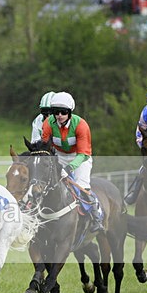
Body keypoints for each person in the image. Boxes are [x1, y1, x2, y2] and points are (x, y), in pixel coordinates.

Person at [40, 91, 104, 233]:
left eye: (63, 112)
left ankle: (96, 217)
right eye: (56, 112)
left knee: (82, 186)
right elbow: (45, 148)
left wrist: (69, 168)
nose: (60, 115)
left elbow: (83, 153)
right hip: (59, 155)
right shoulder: (48, 124)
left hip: (80, 157)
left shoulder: (81, 125)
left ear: (70, 112)